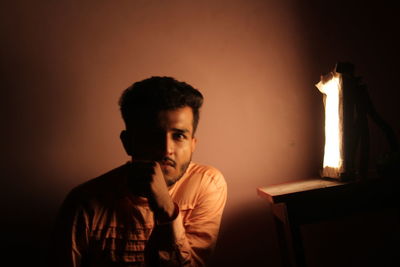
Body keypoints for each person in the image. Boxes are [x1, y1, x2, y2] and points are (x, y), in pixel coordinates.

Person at [51, 76, 227, 267]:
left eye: (179, 135)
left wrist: (166, 210)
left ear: (193, 144)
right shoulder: (84, 204)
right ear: (128, 143)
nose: (166, 149)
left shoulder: (207, 184)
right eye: (153, 135)